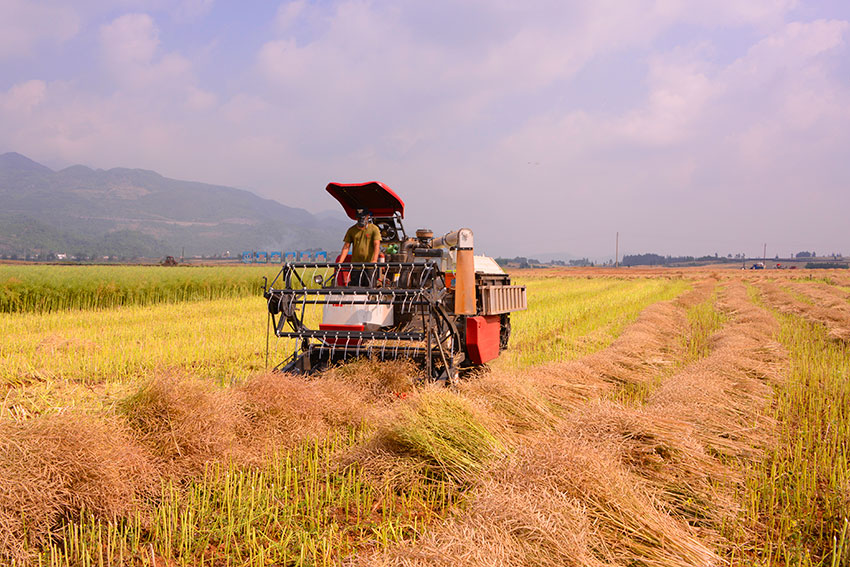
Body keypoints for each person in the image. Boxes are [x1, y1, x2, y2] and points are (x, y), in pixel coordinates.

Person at [339, 209, 381, 286]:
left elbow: (376, 245)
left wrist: (374, 260)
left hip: (370, 266)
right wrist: (340, 262)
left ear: (368, 217)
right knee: (355, 287)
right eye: (359, 218)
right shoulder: (352, 230)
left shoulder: (374, 229)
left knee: (370, 286)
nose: (360, 220)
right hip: (356, 265)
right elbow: (346, 246)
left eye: (362, 217)